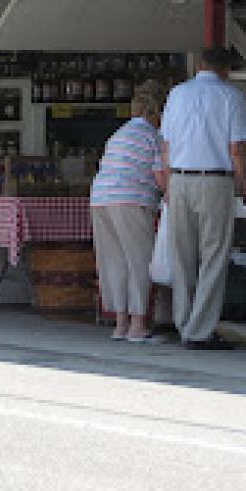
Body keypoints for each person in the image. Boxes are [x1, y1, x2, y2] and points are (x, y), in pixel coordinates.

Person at [160, 46, 246, 349]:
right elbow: (236, 149)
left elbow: (166, 146)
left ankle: (184, 321)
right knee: (213, 256)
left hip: (180, 178)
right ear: (226, 70)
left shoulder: (177, 94)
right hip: (214, 181)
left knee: (182, 254)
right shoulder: (231, 96)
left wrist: (167, 186)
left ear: (200, 64)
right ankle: (200, 330)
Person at [89, 81, 168, 343]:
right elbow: (160, 177)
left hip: (100, 198)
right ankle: (137, 325)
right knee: (138, 261)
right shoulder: (153, 137)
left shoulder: (119, 133)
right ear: (157, 112)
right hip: (131, 199)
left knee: (113, 261)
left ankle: (119, 323)